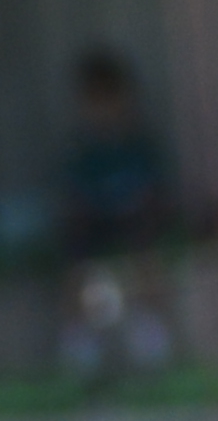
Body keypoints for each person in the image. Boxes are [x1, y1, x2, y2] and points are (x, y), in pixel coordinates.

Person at [55, 46, 179, 375]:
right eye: (94, 101)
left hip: (133, 219)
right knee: (74, 249)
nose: (103, 110)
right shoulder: (81, 148)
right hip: (96, 222)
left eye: (109, 99)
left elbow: (155, 190)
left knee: (145, 245)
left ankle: (150, 333)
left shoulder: (139, 144)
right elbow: (74, 195)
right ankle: (79, 345)